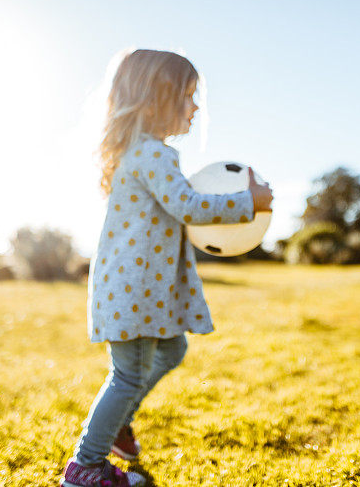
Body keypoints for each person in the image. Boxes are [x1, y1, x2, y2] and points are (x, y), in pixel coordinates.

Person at [59, 48, 273, 487]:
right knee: (129, 374)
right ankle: (87, 465)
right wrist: (249, 203)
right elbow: (189, 207)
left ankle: (119, 424)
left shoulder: (138, 153)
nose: (195, 107)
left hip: (139, 290)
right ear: (156, 98)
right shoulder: (154, 155)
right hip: (134, 291)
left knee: (172, 351)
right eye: (188, 96)